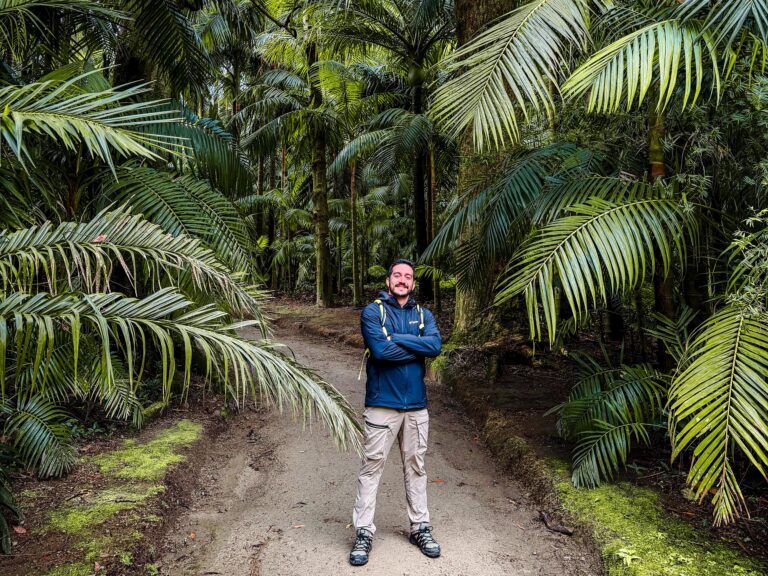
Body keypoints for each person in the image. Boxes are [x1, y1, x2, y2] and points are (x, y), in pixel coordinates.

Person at [349, 259, 442, 567]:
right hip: (382, 405)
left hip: (416, 406)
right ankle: (363, 531)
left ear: (413, 284)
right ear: (388, 280)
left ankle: (420, 527)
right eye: (398, 275)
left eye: (408, 277)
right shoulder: (373, 311)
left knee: (416, 466)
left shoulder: (422, 314)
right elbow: (380, 352)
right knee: (372, 466)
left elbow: (435, 346)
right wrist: (417, 345)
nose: (403, 280)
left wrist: (398, 339)